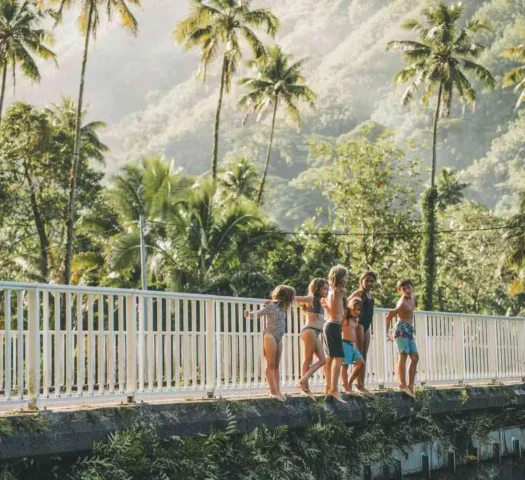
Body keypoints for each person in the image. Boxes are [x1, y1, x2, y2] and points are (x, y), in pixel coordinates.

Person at [245, 285, 296, 402]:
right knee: (270, 364)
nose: (293, 299)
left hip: (279, 337)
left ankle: (278, 390)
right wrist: (249, 314)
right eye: (292, 296)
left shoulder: (284, 308)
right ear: (286, 297)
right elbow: (259, 313)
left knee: (277, 365)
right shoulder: (271, 306)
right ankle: (272, 391)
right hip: (270, 336)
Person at [295, 278, 329, 397]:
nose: (327, 291)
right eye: (324, 288)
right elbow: (295, 298)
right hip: (309, 330)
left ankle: (304, 380)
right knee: (308, 358)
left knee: (322, 360)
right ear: (317, 288)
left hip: (315, 332)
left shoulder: (320, 302)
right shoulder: (311, 299)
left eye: (328, 289)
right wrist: (280, 298)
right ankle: (304, 387)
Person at [386, 279, 419, 399]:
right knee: (403, 355)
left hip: (409, 329)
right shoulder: (401, 303)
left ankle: (410, 385)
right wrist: (387, 333)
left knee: (415, 357)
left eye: (409, 287)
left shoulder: (413, 299)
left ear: (412, 288)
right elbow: (389, 316)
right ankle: (402, 384)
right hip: (400, 330)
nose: (407, 290)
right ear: (400, 291)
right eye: (404, 289)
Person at [323, 265, 348, 403]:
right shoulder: (341, 291)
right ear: (339, 278)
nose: (346, 281)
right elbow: (346, 306)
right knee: (338, 358)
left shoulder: (329, 292)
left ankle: (329, 387)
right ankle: (334, 389)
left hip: (328, 324)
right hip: (334, 325)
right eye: (345, 278)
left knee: (330, 358)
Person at [350, 271, 377, 393]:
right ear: (361, 281)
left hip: (367, 326)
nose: (369, 283)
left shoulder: (370, 295)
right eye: (367, 281)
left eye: (371, 281)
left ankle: (362, 383)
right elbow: (348, 304)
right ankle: (357, 384)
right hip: (359, 325)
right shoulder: (359, 293)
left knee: (364, 355)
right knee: (359, 355)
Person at [341, 297, 366, 395]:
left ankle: (350, 382)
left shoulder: (356, 320)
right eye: (354, 309)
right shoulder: (345, 318)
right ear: (349, 308)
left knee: (361, 362)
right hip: (345, 343)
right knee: (345, 366)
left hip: (352, 345)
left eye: (359, 309)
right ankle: (346, 386)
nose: (356, 311)